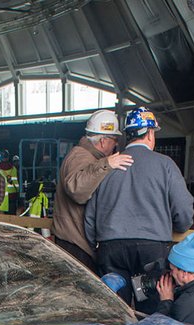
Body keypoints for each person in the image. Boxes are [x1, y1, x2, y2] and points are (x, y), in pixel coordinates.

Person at [84, 107, 193, 310]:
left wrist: (95, 245)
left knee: (115, 310)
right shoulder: (165, 165)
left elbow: (90, 215)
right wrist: (180, 226)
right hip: (150, 249)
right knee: (151, 310)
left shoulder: (109, 165)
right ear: (150, 133)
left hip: (110, 248)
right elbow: (183, 212)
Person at [52, 109, 134, 272]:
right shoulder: (81, 156)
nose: (116, 145)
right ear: (103, 141)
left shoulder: (85, 156)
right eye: (114, 140)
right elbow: (77, 189)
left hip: (75, 242)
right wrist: (107, 164)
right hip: (76, 245)